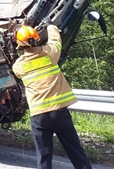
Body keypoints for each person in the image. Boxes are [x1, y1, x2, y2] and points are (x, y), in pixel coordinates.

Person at [12, 24, 92, 169]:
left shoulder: (18, 66)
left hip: (39, 116)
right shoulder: (50, 54)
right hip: (59, 112)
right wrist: (51, 26)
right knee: (75, 151)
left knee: (44, 156)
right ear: (37, 39)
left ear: (19, 45)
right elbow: (56, 40)